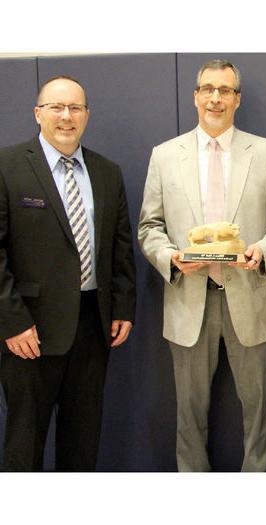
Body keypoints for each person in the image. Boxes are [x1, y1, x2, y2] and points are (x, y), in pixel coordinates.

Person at [138, 59, 266, 472]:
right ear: (195, 96)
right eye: (208, 89)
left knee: (258, 414)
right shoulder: (164, 156)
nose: (215, 98)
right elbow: (149, 227)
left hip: (253, 298)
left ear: (237, 99)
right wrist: (169, 258)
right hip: (189, 301)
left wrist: (264, 250)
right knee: (188, 418)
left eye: (224, 90)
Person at [0, 76, 136, 471]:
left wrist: (123, 306)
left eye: (75, 108)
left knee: (82, 444)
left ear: (87, 116)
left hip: (94, 327)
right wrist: (12, 323)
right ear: (37, 113)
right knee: (24, 445)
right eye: (57, 107)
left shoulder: (106, 171)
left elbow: (120, 245)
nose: (66, 116)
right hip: (30, 333)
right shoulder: (7, 166)